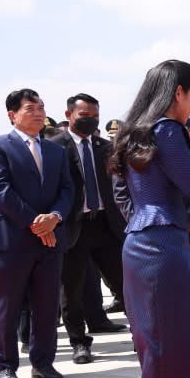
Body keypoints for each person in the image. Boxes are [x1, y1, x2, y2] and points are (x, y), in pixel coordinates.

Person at [110, 60, 190, 378]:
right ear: (177, 92)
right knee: (169, 339)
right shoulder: (167, 130)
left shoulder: (137, 130)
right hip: (162, 244)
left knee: (158, 338)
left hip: (144, 241)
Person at [0, 89, 73, 378]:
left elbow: (68, 190)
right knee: (8, 305)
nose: (38, 113)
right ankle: (5, 366)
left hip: (51, 238)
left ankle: (43, 363)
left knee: (46, 305)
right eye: (30, 108)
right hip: (12, 238)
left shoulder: (56, 151)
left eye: (41, 107)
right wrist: (36, 223)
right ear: (12, 114)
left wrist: (54, 217)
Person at [57, 93, 128, 363]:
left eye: (95, 116)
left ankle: (142, 335)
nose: (90, 120)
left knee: (125, 283)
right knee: (71, 289)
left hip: (106, 225)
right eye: (84, 115)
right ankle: (79, 342)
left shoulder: (106, 147)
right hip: (73, 226)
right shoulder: (55, 147)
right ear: (69, 115)